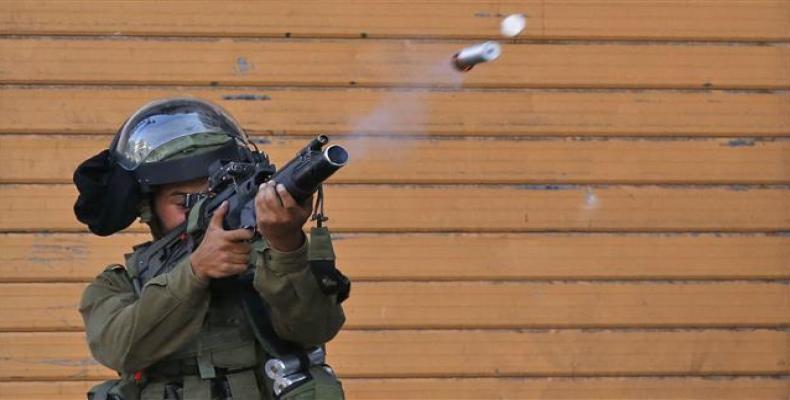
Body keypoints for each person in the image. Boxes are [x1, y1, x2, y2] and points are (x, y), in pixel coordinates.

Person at [73, 98, 347, 399]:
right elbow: (119, 348)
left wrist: (285, 246)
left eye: (214, 194)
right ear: (147, 207)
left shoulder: (268, 261)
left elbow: (316, 329)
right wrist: (195, 272)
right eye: (184, 202)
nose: (201, 210)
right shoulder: (118, 285)